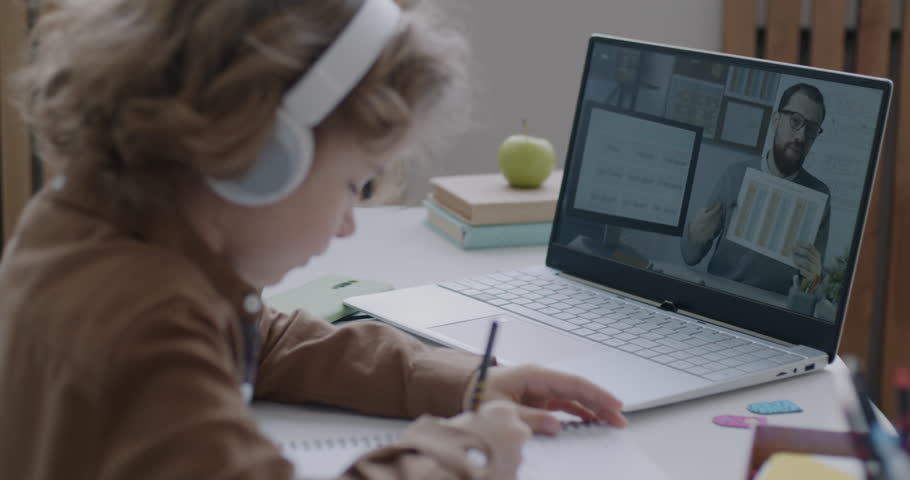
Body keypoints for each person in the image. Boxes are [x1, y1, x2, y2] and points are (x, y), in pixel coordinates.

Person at [0, 1, 627, 479]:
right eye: (356, 182)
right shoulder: (147, 325)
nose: (348, 224)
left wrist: (467, 380)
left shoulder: (92, 228)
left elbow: (264, 340)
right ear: (265, 155)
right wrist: (466, 450)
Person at [680, 83, 831, 296]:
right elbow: (690, 257)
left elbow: (810, 290)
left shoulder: (820, 195)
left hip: (773, 314)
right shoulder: (735, 175)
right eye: (795, 121)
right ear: (776, 121)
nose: (801, 136)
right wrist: (694, 235)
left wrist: (815, 279)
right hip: (720, 298)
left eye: (812, 129)